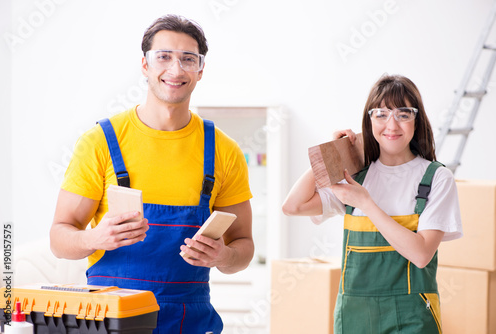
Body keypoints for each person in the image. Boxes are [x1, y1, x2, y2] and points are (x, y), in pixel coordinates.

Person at [50, 14, 254, 334]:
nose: (175, 70)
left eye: (188, 59)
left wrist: (224, 255)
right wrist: (94, 238)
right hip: (110, 317)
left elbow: (244, 246)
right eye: (163, 57)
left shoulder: (223, 151)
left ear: (200, 70)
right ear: (145, 65)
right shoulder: (101, 142)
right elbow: (59, 239)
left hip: (189, 320)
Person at [282, 74, 462, 333]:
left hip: (413, 316)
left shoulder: (436, 178)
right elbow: (293, 206)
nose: (392, 125)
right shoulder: (356, 176)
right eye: (381, 114)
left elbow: (421, 255)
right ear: (369, 120)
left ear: (416, 120)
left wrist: (366, 203)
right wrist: (332, 152)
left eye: (403, 114)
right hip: (355, 317)